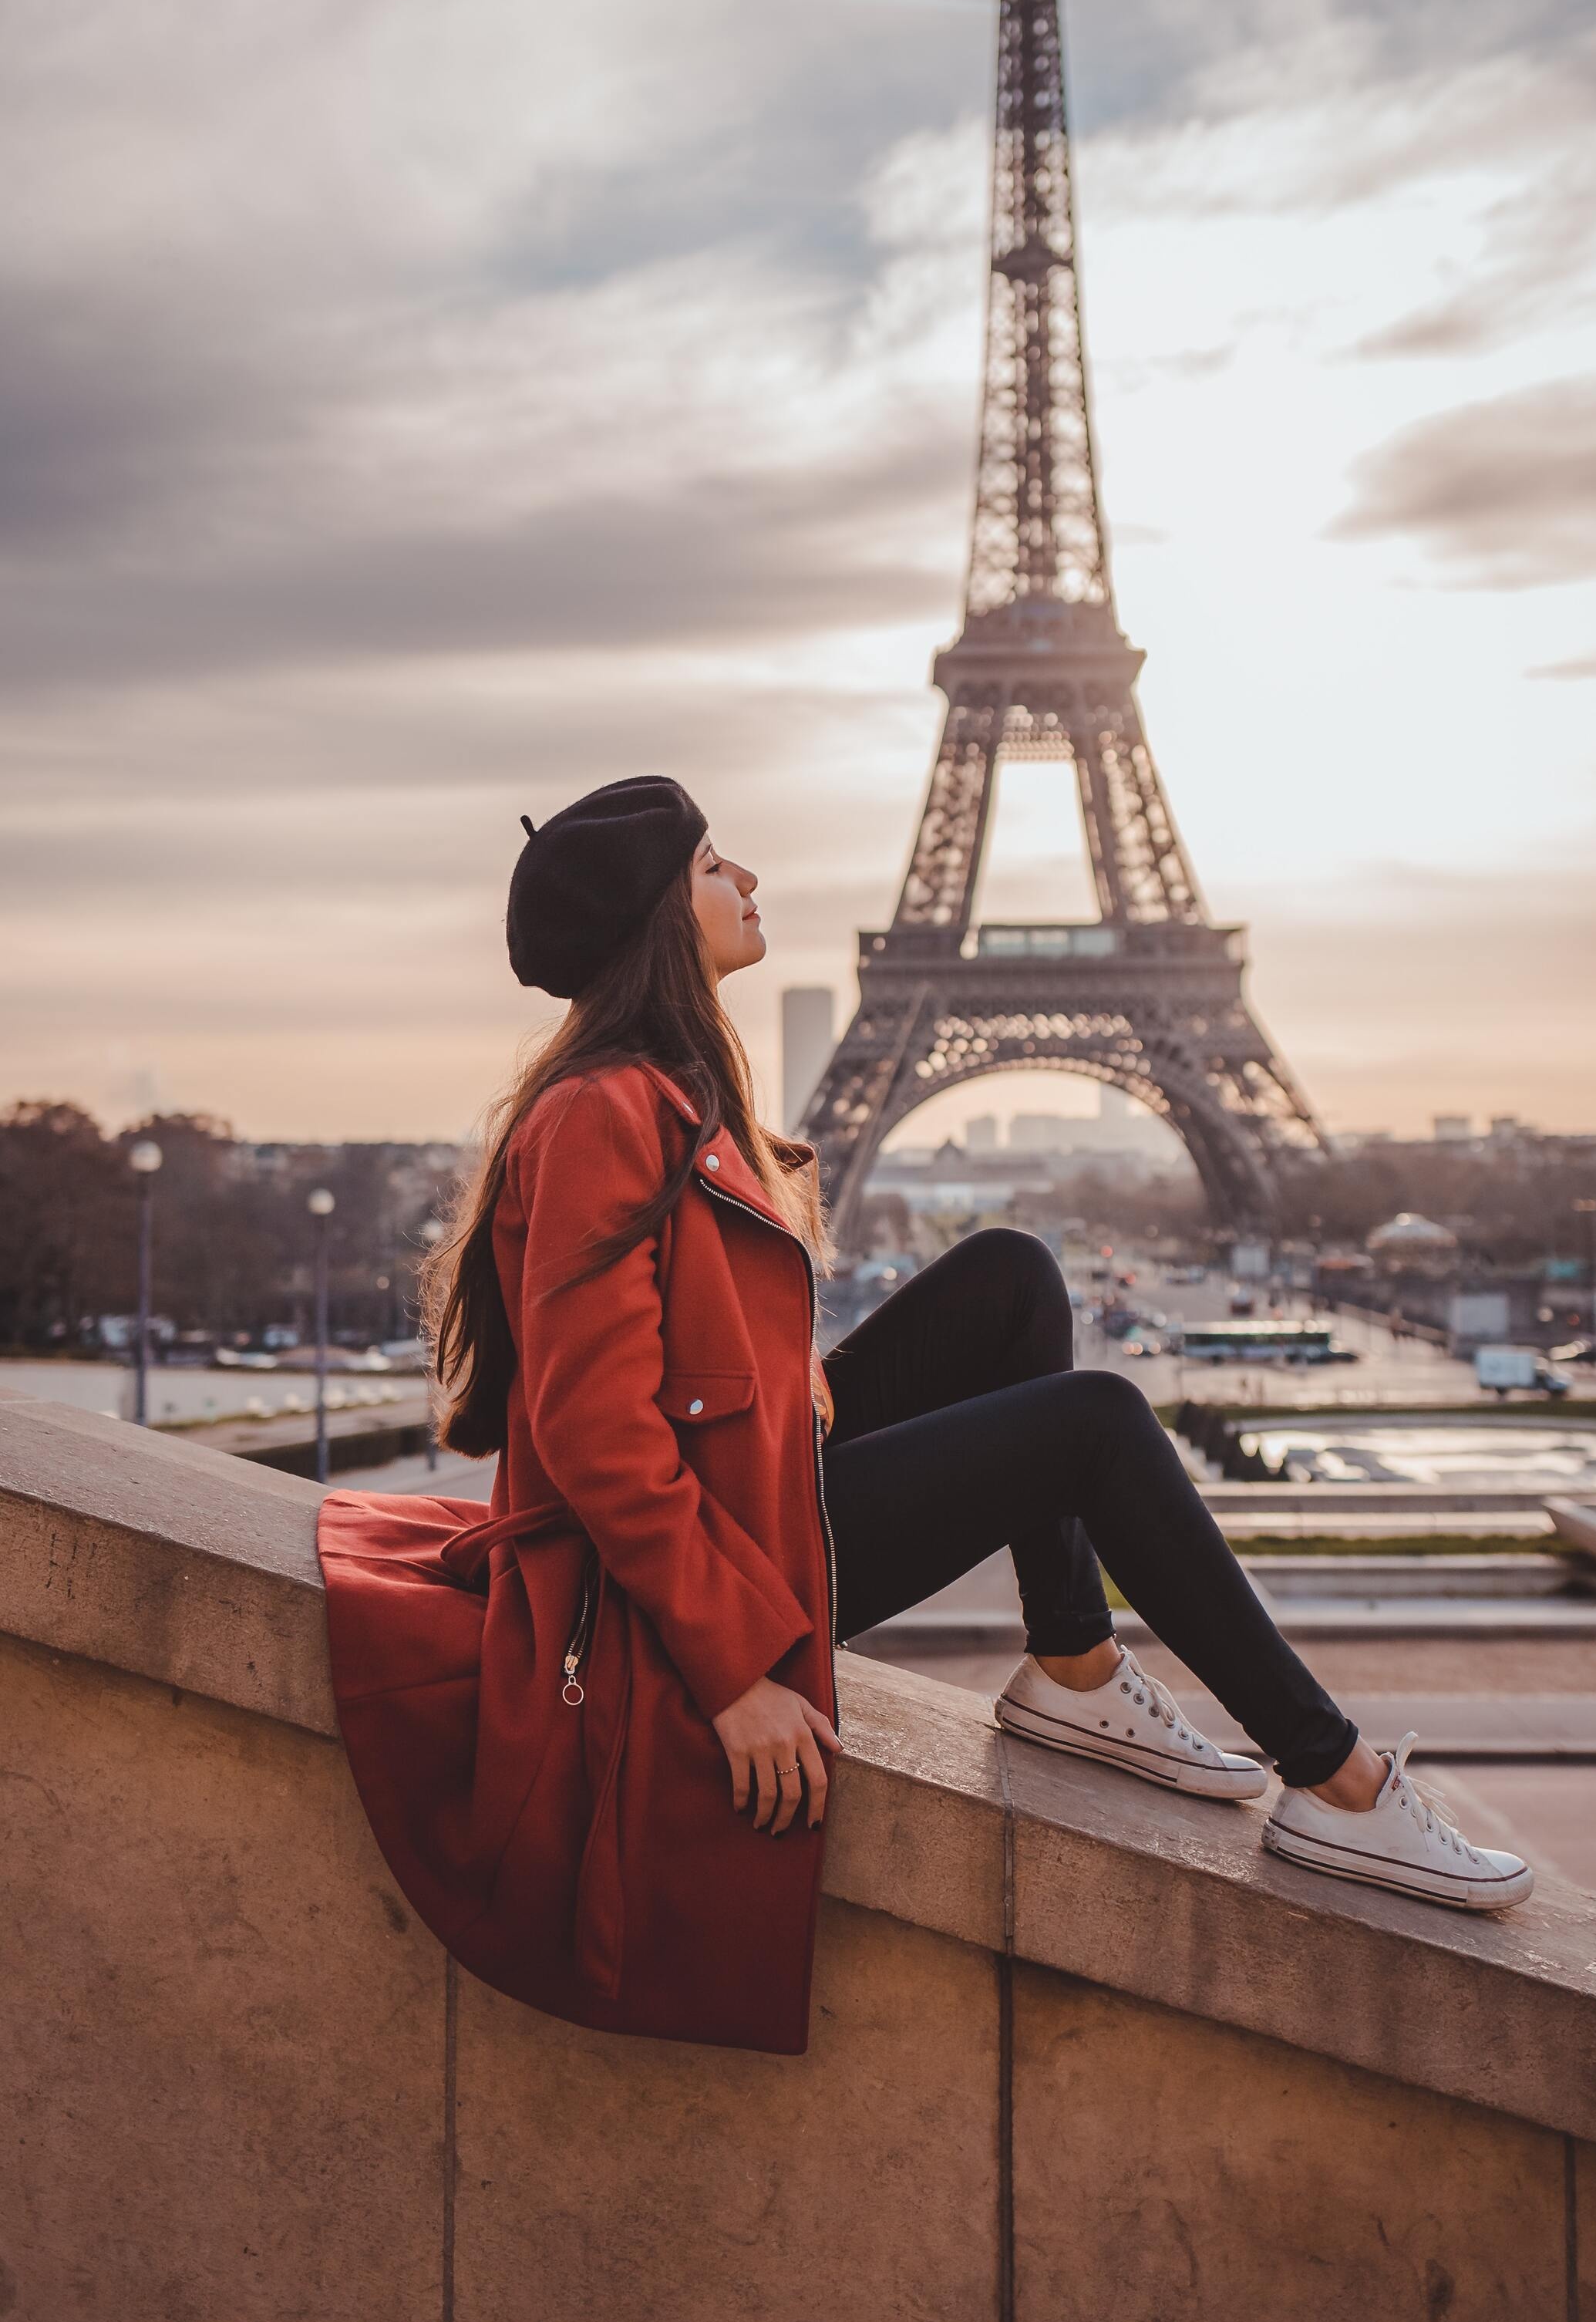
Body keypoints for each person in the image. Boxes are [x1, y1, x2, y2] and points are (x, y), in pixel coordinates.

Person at [317, 776, 1531, 2061]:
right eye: (717, 865)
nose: (751, 883)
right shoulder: (605, 1113)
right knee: (1097, 1423)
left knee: (1013, 1274)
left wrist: (804, 1381)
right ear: (659, 921)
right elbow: (599, 1434)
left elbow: (690, 1367)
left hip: (748, 1499)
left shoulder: (662, 1092)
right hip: (683, 1592)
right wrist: (733, 1672)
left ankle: (1075, 1669)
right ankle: (1335, 1783)